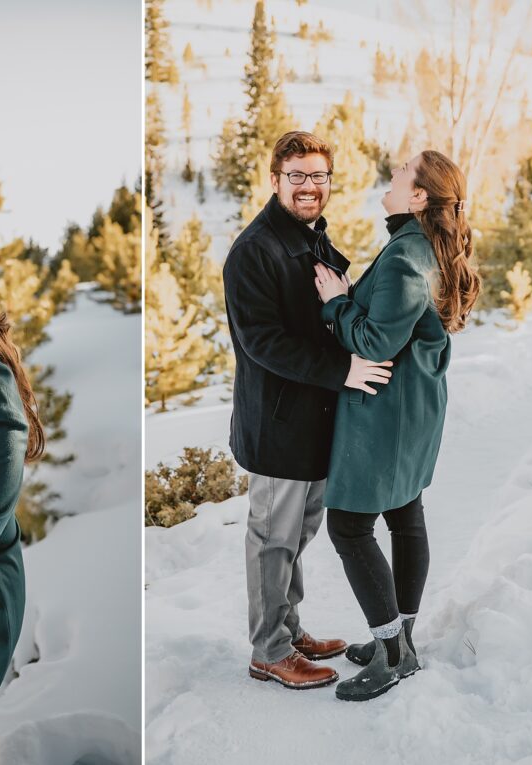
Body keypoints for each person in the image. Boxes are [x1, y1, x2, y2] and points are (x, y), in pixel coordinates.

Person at [222, 131, 395, 690]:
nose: (308, 186)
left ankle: (289, 629)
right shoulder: (255, 250)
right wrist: (342, 370)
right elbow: (261, 342)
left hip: (315, 421)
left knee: (296, 537)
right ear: (275, 181)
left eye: (318, 176)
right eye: (296, 175)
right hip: (278, 424)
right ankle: (268, 650)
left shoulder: (309, 236)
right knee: (272, 540)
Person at [314, 150, 481, 701]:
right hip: (413, 406)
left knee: (349, 526)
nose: (391, 174)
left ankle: (392, 654)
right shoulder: (417, 245)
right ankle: (401, 635)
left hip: (389, 414)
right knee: (405, 515)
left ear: (419, 197)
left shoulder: (410, 254)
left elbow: (375, 342)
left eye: (402, 172)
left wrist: (337, 303)